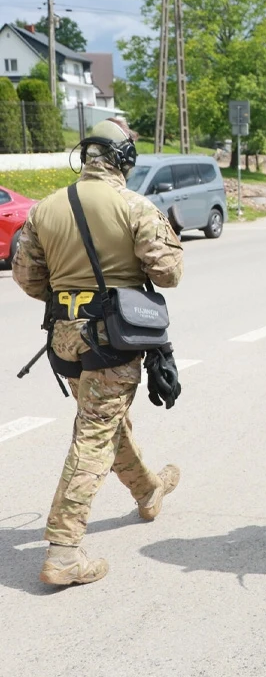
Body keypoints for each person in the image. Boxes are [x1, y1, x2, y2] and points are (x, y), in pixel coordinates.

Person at [12, 118, 184, 586]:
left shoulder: (45, 208)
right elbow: (168, 274)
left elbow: (27, 279)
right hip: (112, 338)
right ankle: (65, 550)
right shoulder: (134, 205)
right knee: (94, 434)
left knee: (103, 420)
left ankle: (149, 490)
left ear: (85, 155)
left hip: (63, 337)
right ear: (123, 158)